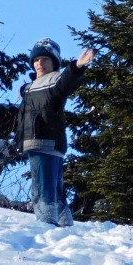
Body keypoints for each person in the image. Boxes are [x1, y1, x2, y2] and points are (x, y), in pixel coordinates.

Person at [16, 38, 94, 226]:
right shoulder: (32, 86)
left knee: (43, 189)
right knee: (55, 190)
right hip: (40, 143)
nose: (39, 64)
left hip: (44, 141)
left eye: (45, 59)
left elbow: (66, 82)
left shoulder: (54, 79)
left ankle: (46, 225)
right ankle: (65, 227)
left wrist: (77, 67)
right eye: (36, 60)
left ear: (54, 63)